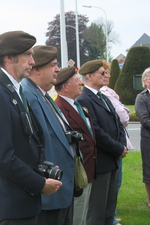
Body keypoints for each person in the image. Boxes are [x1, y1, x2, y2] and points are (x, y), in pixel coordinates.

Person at [0, 31, 62, 225]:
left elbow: (28, 139)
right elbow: (2, 157)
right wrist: (40, 184)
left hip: (23, 199)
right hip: (13, 203)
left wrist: (42, 169)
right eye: (28, 55)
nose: (32, 61)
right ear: (9, 58)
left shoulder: (14, 89)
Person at [21, 45, 75, 225]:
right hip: (48, 192)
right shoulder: (28, 94)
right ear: (37, 69)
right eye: (53, 65)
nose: (58, 69)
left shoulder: (40, 94)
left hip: (60, 187)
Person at [77, 60, 128, 225]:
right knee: (97, 211)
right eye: (102, 73)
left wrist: (121, 145)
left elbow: (117, 123)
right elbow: (95, 131)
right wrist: (117, 148)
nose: (107, 75)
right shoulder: (84, 99)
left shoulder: (103, 97)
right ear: (90, 76)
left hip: (112, 159)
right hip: (100, 162)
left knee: (109, 208)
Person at [54, 66, 97, 225]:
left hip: (87, 167)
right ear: (65, 87)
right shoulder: (60, 108)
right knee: (77, 215)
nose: (81, 83)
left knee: (83, 213)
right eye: (77, 80)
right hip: (75, 170)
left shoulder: (76, 105)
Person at [100, 59, 134, 225]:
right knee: (111, 185)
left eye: (107, 72)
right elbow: (122, 116)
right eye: (103, 73)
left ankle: (111, 216)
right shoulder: (104, 94)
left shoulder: (106, 92)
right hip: (111, 146)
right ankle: (110, 218)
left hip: (117, 143)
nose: (107, 75)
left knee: (115, 183)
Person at [135, 67, 150, 209]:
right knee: (149, 169)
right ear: (146, 81)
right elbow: (145, 120)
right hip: (148, 139)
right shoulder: (142, 97)